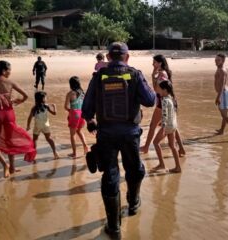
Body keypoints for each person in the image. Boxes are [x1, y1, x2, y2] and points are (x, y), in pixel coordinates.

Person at [82, 42, 156, 239]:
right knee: (134, 168)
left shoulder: (98, 77)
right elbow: (150, 100)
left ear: (107, 57)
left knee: (110, 175)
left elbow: (86, 109)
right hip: (130, 133)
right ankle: (133, 202)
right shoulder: (135, 74)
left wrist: (90, 121)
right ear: (127, 57)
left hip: (106, 135)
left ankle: (114, 228)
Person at [0, 60, 36, 178]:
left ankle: (5, 165)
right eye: (9, 70)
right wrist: (18, 100)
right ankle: (12, 167)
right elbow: (26, 96)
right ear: (4, 70)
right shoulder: (10, 82)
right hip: (8, 112)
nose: (10, 73)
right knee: (10, 139)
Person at [140, 54, 185, 157]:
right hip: (166, 101)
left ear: (159, 63)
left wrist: (153, 76)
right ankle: (181, 148)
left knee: (153, 125)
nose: (153, 64)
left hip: (162, 103)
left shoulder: (162, 73)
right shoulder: (162, 73)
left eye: (154, 62)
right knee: (172, 125)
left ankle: (146, 147)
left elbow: (157, 89)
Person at [152, 80, 181, 173]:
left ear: (164, 90)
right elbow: (172, 114)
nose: (158, 91)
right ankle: (178, 167)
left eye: (159, 89)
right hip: (173, 125)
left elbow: (165, 115)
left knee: (155, 143)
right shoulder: (171, 98)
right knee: (172, 146)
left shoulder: (164, 100)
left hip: (167, 126)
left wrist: (163, 127)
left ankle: (161, 164)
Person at [27, 91, 59, 160]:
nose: (46, 98)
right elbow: (54, 113)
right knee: (49, 138)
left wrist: (28, 126)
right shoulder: (46, 106)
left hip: (37, 125)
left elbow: (29, 117)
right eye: (45, 97)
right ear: (43, 99)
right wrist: (54, 106)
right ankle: (55, 152)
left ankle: (34, 155)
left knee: (35, 140)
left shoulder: (34, 108)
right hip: (46, 125)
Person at [64, 76, 88, 158]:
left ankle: (74, 153)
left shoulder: (70, 93)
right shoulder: (82, 93)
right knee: (79, 131)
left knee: (72, 135)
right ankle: (85, 146)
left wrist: (71, 112)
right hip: (82, 113)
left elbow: (66, 107)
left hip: (74, 113)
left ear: (71, 84)